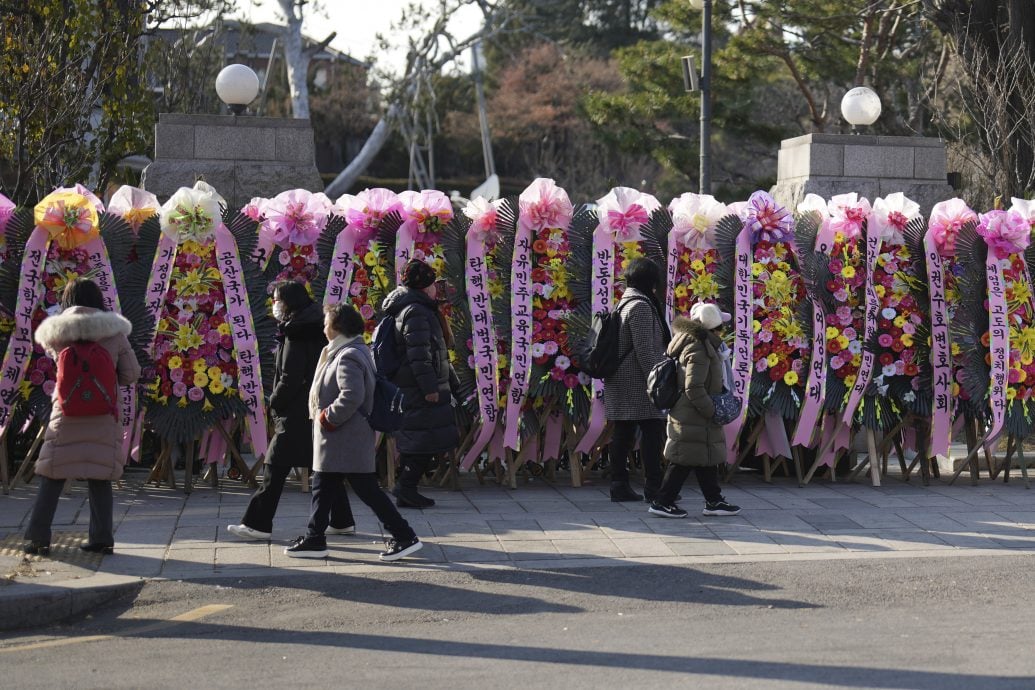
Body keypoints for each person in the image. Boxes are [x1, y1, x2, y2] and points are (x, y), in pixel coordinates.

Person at [286, 302, 423, 561]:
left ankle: (404, 536)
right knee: (323, 486)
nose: (323, 326)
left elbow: (352, 395)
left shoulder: (348, 355)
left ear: (337, 327)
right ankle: (315, 537)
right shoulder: (348, 350)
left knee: (366, 490)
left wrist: (328, 417)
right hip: (342, 438)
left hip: (344, 435)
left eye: (326, 322)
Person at [228, 281, 355, 541]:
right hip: (313, 407)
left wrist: (274, 401)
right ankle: (342, 520)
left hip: (296, 411)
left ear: (288, 303)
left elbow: (290, 377)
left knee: (274, 467)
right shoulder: (314, 325)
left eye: (277, 300)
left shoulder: (296, 332)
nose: (274, 305)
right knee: (323, 467)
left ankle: (257, 524)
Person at [23, 278, 141, 555]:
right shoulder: (114, 332)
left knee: (51, 474)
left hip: (66, 412)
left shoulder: (56, 332)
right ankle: (101, 539)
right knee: (100, 476)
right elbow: (131, 374)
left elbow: (59, 365)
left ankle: (37, 538)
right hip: (103, 414)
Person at [648, 302, 741, 518]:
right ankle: (663, 501)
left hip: (694, 413)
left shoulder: (701, 344)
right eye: (721, 327)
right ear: (713, 328)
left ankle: (713, 500)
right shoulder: (699, 348)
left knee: (703, 457)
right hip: (693, 413)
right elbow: (693, 387)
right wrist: (711, 410)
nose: (723, 331)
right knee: (683, 459)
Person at [381, 259, 459, 508]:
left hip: (416, 385)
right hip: (418, 388)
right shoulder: (415, 311)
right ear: (425, 286)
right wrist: (430, 389)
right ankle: (406, 487)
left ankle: (407, 487)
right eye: (434, 283)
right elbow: (419, 356)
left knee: (422, 439)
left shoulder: (415, 308)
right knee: (423, 440)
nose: (438, 288)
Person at [603, 257, 671, 503]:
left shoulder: (624, 303)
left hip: (621, 379)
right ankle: (654, 487)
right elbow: (644, 350)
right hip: (637, 381)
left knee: (623, 432)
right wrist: (658, 381)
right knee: (652, 432)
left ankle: (619, 485)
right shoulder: (640, 306)